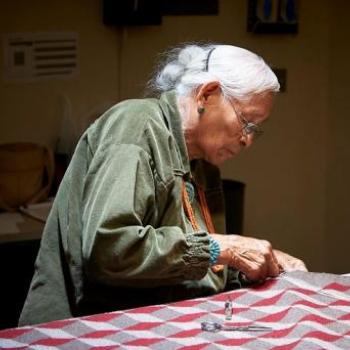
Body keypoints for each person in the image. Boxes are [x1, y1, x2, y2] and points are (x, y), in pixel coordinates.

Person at [19, 43, 307, 326]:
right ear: (207, 94)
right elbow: (109, 250)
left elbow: (194, 265)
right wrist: (224, 247)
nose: (247, 139)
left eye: (256, 130)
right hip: (78, 330)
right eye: (246, 122)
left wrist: (257, 263)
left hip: (149, 326)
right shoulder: (136, 124)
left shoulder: (203, 167)